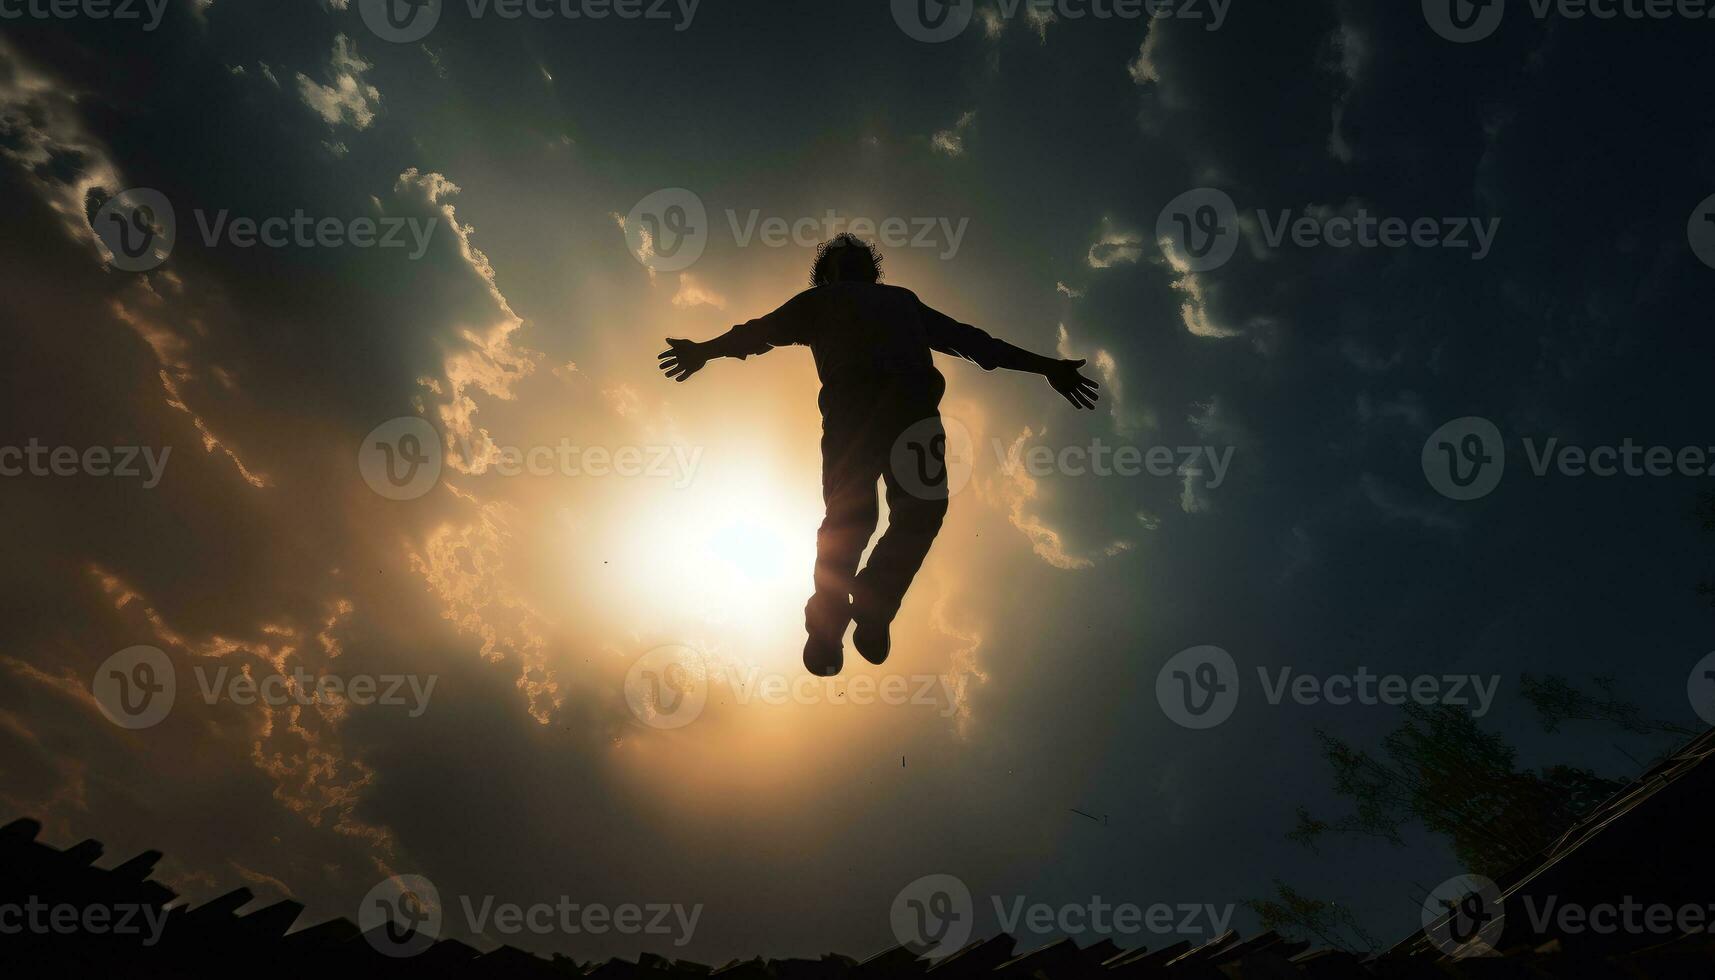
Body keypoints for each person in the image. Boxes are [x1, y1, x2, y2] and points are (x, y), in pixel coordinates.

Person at [658, 234, 1099, 675]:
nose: (849, 264)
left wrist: (1047, 366)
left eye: (858, 259)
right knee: (852, 515)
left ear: (872, 271)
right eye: (839, 260)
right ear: (827, 275)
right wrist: (704, 351)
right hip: (855, 413)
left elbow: (973, 342)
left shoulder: (901, 301)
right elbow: (759, 333)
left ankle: (874, 603)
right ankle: (829, 621)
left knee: (924, 509)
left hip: (913, 414)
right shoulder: (817, 303)